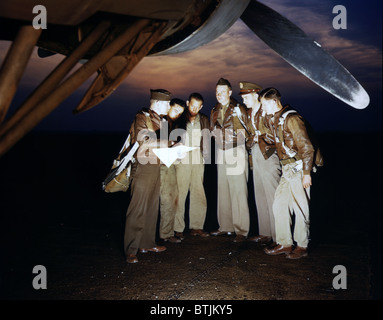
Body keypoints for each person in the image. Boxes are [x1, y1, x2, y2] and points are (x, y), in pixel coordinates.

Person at [259, 87, 316, 259]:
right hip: (287, 169)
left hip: (298, 168)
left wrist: (307, 173)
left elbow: (307, 147)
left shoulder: (292, 119)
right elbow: (272, 140)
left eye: (264, 105)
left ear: (274, 102)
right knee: (279, 205)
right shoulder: (276, 120)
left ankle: (302, 245)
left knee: (300, 208)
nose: (262, 109)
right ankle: (285, 242)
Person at [123, 89, 172, 263]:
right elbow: (143, 141)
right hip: (143, 167)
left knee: (152, 206)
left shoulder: (163, 121)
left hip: (156, 166)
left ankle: (147, 243)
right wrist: (168, 143)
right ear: (157, 103)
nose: (169, 106)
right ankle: (131, 249)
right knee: (138, 208)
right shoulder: (142, 118)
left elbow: (163, 146)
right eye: (167, 103)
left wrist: (175, 151)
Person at [238, 81, 281, 246]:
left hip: (269, 154)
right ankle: (265, 233)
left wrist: (258, 138)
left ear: (256, 95)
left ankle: (279, 237)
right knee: (260, 194)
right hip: (255, 154)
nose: (244, 100)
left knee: (272, 195)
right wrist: (252, 140)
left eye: (246, 97)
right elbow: (249, 135)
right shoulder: (249, 112)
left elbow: (275, 133)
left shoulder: (267, 111)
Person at [210, 78, 251, 242]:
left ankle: (242, 230)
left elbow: (245, 132)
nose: (219, 94)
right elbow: (213, 129)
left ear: (230, 92)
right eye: (217, 91)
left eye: (222, 91)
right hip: (221, 150)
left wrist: (227, 138)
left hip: (235, 149)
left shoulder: (238, 108)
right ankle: (225, 226)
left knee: (238, 190)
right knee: (223, 189)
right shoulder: (214, 109)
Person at [173, 93, 210, 240]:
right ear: (188, 103)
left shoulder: (204, 119)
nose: (194, 109)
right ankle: (177, 228)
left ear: (201, 106)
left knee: (198, 191)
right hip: (182, 157)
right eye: (192, 105)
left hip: (198, 157)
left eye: (198, 106)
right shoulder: (180, 118)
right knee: (180, 193)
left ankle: (197, 227)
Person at [159, 98, 186, 244]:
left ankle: (166, 233)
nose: (177, 114)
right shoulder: (160, 121)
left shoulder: (175, 124)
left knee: (172, 197)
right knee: (165, 199)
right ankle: (162, 234)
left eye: (180, 113)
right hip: (158, 165)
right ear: (168, 107)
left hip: (169, 164)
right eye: (175, 110)